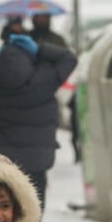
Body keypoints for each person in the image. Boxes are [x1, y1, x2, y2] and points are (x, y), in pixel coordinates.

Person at [0, 31, 76, 209]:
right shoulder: (44, 80)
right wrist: (40, 50)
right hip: (35, 161)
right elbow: (68, 59)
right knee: (31, 216)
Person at [28, 10, 80, 163]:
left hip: (50, 85)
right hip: (30, 86)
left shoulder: (56, 39)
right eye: (41, 17)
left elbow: (66, 60)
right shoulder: (28, 37)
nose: (44, 20)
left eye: (46, 17)